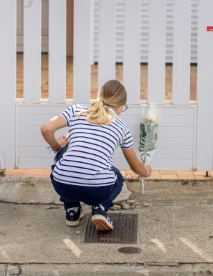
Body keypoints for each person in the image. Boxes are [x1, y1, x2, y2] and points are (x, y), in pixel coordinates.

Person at [40, 79, 152, 231]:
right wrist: (145, 171)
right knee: (117, 177)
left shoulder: (77, 110)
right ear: (120, 106)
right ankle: (100, 208)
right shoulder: (121, 127)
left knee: (63, 155)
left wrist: (57, 147)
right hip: (97, 189)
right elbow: (135, 166)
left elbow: (46, 128)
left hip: (63, 184)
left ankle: (72, 210)